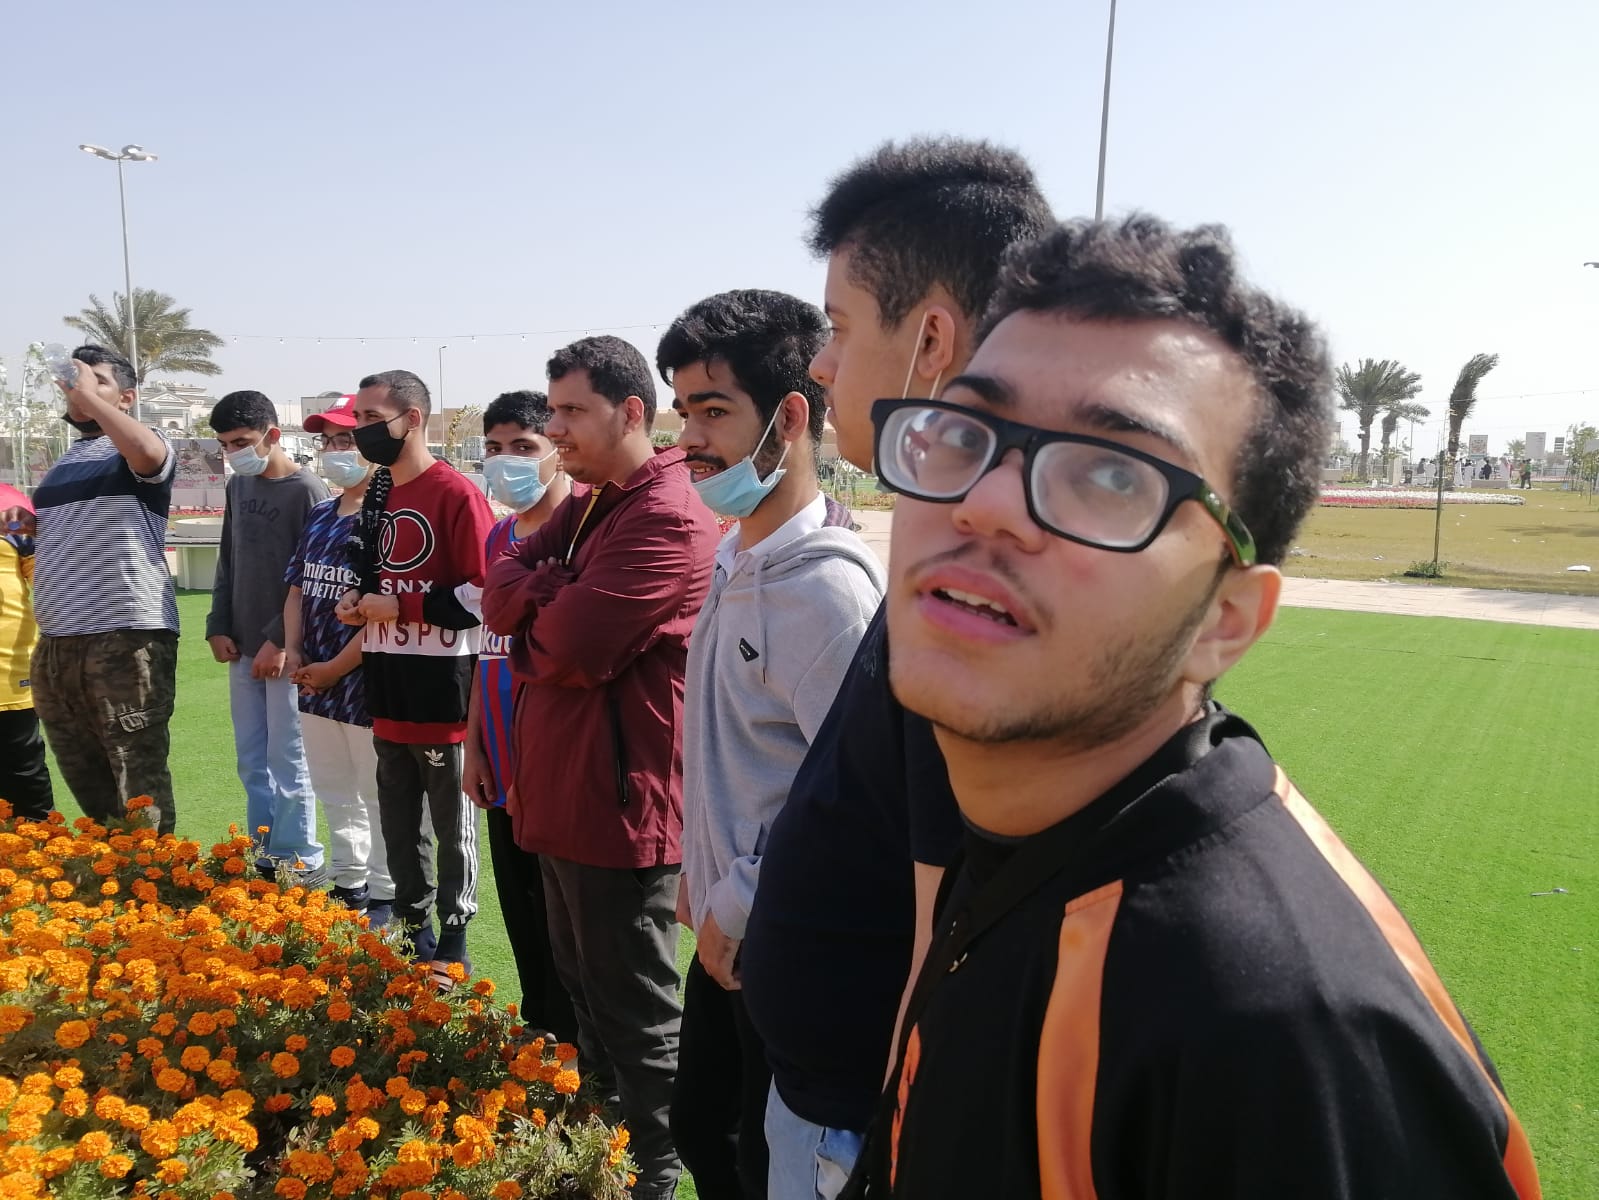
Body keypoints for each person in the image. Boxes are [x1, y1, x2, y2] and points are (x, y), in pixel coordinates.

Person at [845, 215, 1541, 1200]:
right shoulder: (1028, 828)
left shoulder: (1278, 1035)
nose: (987, 503)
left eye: (1111, 474)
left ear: (1226, 619)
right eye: (963, 433)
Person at [739, 138, 1053, 1198]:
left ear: (930, 340)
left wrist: (894, 1156)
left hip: (859, 1139)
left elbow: (944, 930)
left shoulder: (970, 579)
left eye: (836, 328)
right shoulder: (954, 538)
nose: (821, 365)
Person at [481, 336, 719, 1200]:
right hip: (560, 793)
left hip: (619, 809)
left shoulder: (667, 513)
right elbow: (499, 582)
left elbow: (570, 649)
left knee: (637, 1017)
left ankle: (651, 1175)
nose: (555, 430)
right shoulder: (591, 504)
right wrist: (541, 595)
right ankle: (601, 1163)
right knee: (584, 1002)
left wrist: (536, 603)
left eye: (571, 411)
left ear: (631, 412)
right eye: (552, 410)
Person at [661, 291, 886, 1199]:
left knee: (765, 1164)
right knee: (703, 1129)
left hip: (784, 942)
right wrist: (701, 869)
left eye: (713, 412)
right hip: (728, 935)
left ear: (789, 418)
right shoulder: (735, 555)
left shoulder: (829, 595)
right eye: (683, 411)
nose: (689, 439)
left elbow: (861, 800)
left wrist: (742, 895)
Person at [337, 370, 494, 977]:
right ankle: (411, 928)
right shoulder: (377, 493)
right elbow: (371, 577)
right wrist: (356, 600)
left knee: (453, 827)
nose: (362, 431)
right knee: (398, 825)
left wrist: (400, 606)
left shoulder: (456, 494)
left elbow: (486, 592)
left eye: (372, 419)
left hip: (443, 691)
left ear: (413, 419)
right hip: (387, 688)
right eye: (358, 419)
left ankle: (454, 939)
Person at [20, 345, 179, 833]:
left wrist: (87, 395)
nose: (79, 388)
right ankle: (118, 870)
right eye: (75, 381)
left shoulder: (140, 446)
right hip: (57, 643)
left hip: (123, 636)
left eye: (98, 381)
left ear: (127, 398)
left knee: (137, 781)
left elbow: (148, 454)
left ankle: (155, 871)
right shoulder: (65, 463)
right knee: (87, 778)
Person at [460, 389, 576, 1039]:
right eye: (494, 448)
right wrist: (475, 747)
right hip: (502, 763)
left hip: (559, 767)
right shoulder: (500, 536)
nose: (505, 461)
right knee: (522, 908)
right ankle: (540, 1033)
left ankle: (583, 1051)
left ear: (557, 449)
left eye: (523, 447)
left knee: (573, 924)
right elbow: (488, 651)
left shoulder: (585, 530)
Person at [205, 390, 329, 881]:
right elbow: (228, 559)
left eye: (241, 442)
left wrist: (281, 641)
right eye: (225, 444)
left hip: (288, 651)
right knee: (252, 759)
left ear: (272, 435)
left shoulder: (308, 490)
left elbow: (313, 577)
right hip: (241, 645)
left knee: (289, 758)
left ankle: (300, 857)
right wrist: (218, 624)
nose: (233, 452)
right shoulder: (238, 486)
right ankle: (264, 851)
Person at [282, 394, 394, 922]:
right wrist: (296, 652)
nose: (335, 451)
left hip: (365, 682)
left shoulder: (388, 517)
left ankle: (386, 893)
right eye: (327, 441)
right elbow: (297, 589)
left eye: (346, 439)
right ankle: (349, 883)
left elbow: (386, 610)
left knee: (377, 792)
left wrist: (335, 669)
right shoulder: (322, 513)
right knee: (333, 788)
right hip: (313, 680)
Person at [0, 482, 51, 819]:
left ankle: (41, 846)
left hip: (9, 674)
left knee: (23, 777)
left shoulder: (9, 507)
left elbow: (47, 580)